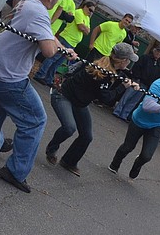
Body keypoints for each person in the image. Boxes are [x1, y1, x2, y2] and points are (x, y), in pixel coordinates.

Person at [0, 0, 73, 193]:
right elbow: (47, 51)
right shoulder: (38, 13)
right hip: (8, 77)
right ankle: (15, 171)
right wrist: (57, 48)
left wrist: (62, 47)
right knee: (36, 121)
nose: (58, 3)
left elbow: (46, 35)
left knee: (0, 106)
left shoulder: (27, 2)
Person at [45, 43, 140, 176]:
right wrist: (123, 87)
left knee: (87, 136)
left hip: (80, 102)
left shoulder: (111, 69)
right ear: (123, 60)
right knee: (69, 127)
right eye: (128, 60)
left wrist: (128, 82)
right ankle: (52, 148)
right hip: (63, 95)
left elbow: (120, 76)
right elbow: (105, 98)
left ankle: (69, 161)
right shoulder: (102, 72)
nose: (129, 63)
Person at [33, 0, 83, 86]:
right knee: (51, 55)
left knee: (57, 60)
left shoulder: (72, 4)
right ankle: (40, 74)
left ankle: (47, 77)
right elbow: (59, 11)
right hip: (47, 22)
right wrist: (63, 15)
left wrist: (64, 15)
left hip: (53, 29)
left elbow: (70, 18)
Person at [112, 44, 160, 120]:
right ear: (154, 50)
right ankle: (117, 111)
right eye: (157, 51)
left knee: (134, 101)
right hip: (137, 80)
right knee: (127, 96)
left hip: (146, 85)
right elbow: (136, 67)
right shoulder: (145, 57)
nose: (158, 53)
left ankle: (124, 115)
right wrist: (136, 78)